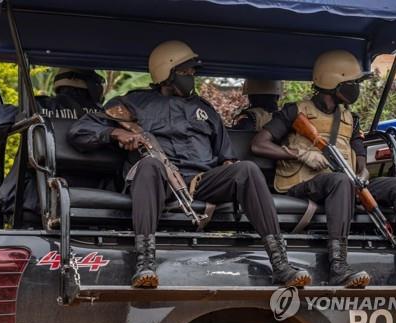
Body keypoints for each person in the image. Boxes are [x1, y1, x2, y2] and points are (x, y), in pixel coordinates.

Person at [68, 40, 312, 289]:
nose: (191, 77)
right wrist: (115, 134)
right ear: (166, 74)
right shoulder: (134, 103)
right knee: (149, 165)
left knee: (246, 170)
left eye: (193, 72)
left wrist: (230, 169)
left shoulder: (204, 109)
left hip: (202, 183)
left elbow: (226, 156)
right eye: (185, 73)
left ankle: (280, 263)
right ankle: (145, 264)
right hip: (157, 181)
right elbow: (80, 131)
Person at [251, 50, 396, 288]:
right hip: (303, 183)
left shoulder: (350, 118)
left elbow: (359, 149)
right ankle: (338, 267)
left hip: (347, 181)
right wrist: (301, 154)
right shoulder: (294, 111)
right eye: (350, 82)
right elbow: (259, 145)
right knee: (339, 181)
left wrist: (362, 172)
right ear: (332, 81)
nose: (355, 88)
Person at [0, 68, 106, 225]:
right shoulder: (106, 118)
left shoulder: (36, 107)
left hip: (32, 206)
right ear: (95, 88)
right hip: (100, 209)